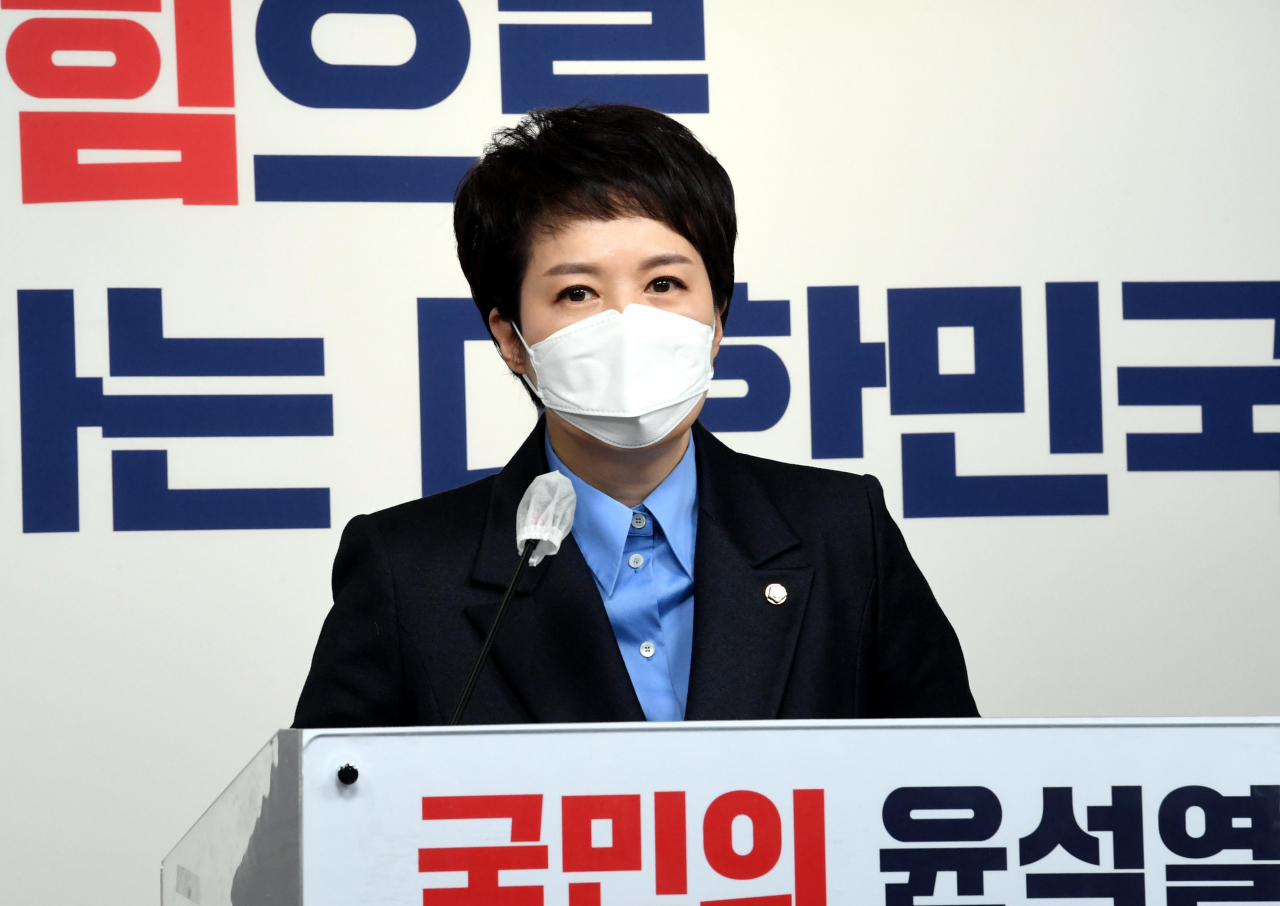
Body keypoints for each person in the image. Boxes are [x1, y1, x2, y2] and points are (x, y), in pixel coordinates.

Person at [292, 104, 978, 727]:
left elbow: (957, 798)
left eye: (664, 284)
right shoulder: (406, 571)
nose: (629, 323)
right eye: (578, 292)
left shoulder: (842, 534)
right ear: (511, 339)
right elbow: (322, 830)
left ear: (718, 318)